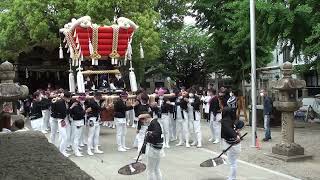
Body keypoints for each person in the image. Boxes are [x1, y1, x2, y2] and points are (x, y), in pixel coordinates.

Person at [139, 113, 164, 180]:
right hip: (158, 148)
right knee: (156, 168)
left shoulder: (154, 123)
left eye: (143, 121)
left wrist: (149, 133)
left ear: (146, 119)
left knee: (150, 170)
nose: (144, 123)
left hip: (153, 149)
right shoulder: (155, 122)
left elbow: (157, 133)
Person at [221, 107, 244, 180]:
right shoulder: (233, 120)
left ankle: (232, 178)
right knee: (232, 162)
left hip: (233, 145)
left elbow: (228, 130)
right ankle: (231, 176)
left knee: (232, 163)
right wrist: (237, 132)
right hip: (235, 145)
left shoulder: (225, 121)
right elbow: (241, 124)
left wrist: (235, 135)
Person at [50, 91, 72, 157]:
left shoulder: (66, 102)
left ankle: (63, 149)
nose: (70, 99)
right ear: (65, 97)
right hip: (59, 119)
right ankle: (60, 150)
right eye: (69, 98)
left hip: (65, 119)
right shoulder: (59, 102)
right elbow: (64, 112)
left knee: (66, 136)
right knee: (62, 136)